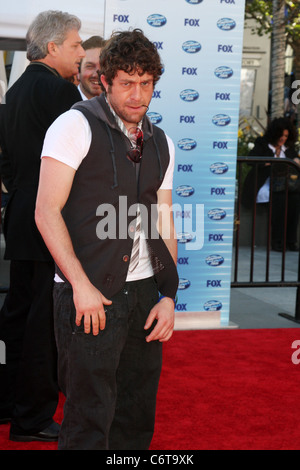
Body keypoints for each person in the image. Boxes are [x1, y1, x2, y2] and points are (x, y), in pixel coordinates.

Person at [35, 28, 179, 450]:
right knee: (88, 417)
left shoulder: (162, 142)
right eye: (127, 83)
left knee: (135, 415)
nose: (138, 95)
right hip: (87, 293)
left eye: (146, 84)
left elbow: (164, 220)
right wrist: (80, 285)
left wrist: (169, 295)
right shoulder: (74, 125)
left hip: (142, 296)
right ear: (106, 81)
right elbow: (46, 211)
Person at [0, 10, 85, 441]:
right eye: (75, 44)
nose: (82, 52)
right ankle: (31, 419)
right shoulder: (58, 91)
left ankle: (9, 401)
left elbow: (9, 165)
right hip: (46, 221)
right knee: (41, 325)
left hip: (19, 218)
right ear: (53, 47)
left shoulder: (15, 90)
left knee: (17, 316)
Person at [242, 117, 300, 251]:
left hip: (285, 185)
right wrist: (269, 163)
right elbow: (251, 160)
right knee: (279, 198)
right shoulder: (262, 143)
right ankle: (277, 241)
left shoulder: (288, 148)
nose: (283, 139)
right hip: (265, 183)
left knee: (295, 199)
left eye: (286, 136)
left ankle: (291, 241)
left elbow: (294, 159)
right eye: (281, 135)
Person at [77, 35, 106, 100]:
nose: (97, 74)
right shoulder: (64, 104)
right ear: (78, 72)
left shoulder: (119, 106)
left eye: (103, 66)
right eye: (90, 66)